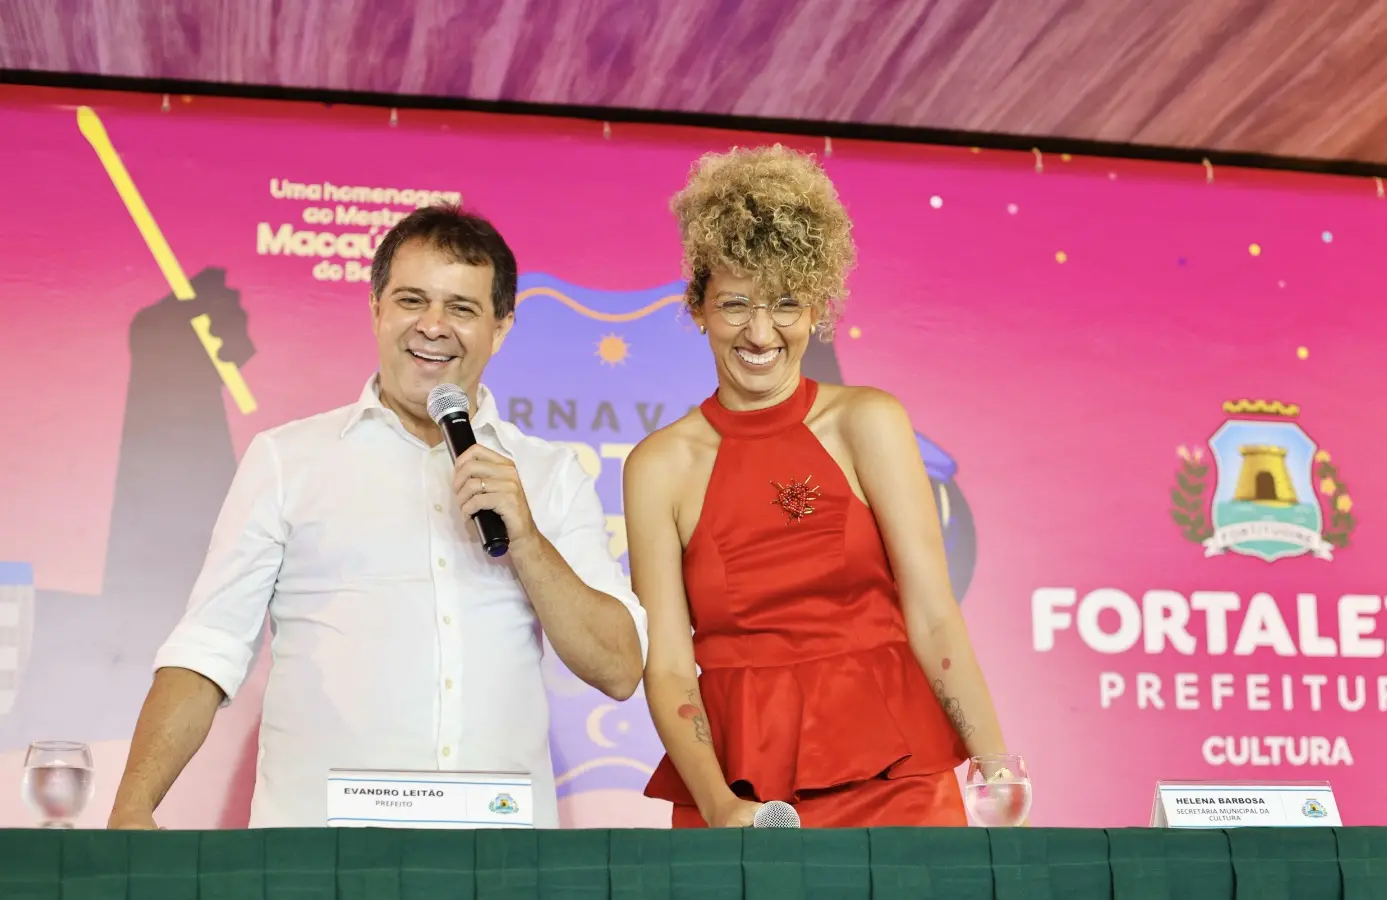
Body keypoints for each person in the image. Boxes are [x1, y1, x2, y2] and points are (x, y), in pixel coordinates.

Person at [105, 205, 648, 829]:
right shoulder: (288, 460)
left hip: (496, 861)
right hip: (318, 857)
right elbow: (207, 650)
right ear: (376, 310)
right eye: (412, 300)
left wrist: (525, 539)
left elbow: (619, 667)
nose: (433, 326)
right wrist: (132, 805)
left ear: (501, 329)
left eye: (462, 308)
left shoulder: (548, 474)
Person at [626, 145, 1011, 828]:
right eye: (735, 304)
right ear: (700, 309)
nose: (760, 331)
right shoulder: (659, 465)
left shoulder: (870, 420)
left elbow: (932, 613)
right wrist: (719, 807)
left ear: (815, 310)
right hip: (740, 789)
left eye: (785, 304)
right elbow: (671, 667)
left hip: (899, 778)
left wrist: (997, 766)